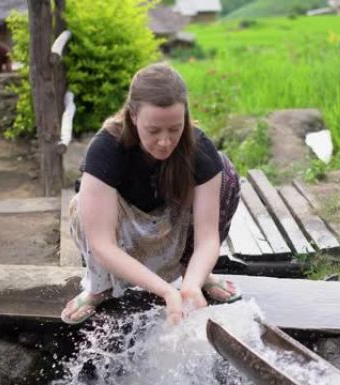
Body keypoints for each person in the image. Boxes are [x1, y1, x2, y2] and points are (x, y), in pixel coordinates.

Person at [60, 63, 241, 325]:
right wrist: (167, 291)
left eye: (175, 129)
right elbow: (102, 245)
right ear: (133, 116)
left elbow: (207, 237)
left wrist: (188, 287)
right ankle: (99, 288)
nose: (165, 141)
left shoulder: (199, 149)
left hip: (171, 224)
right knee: (80, 206)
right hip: (127, 230)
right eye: (153, 130)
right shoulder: (106, 148)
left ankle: (197, 274)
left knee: (226, 172)